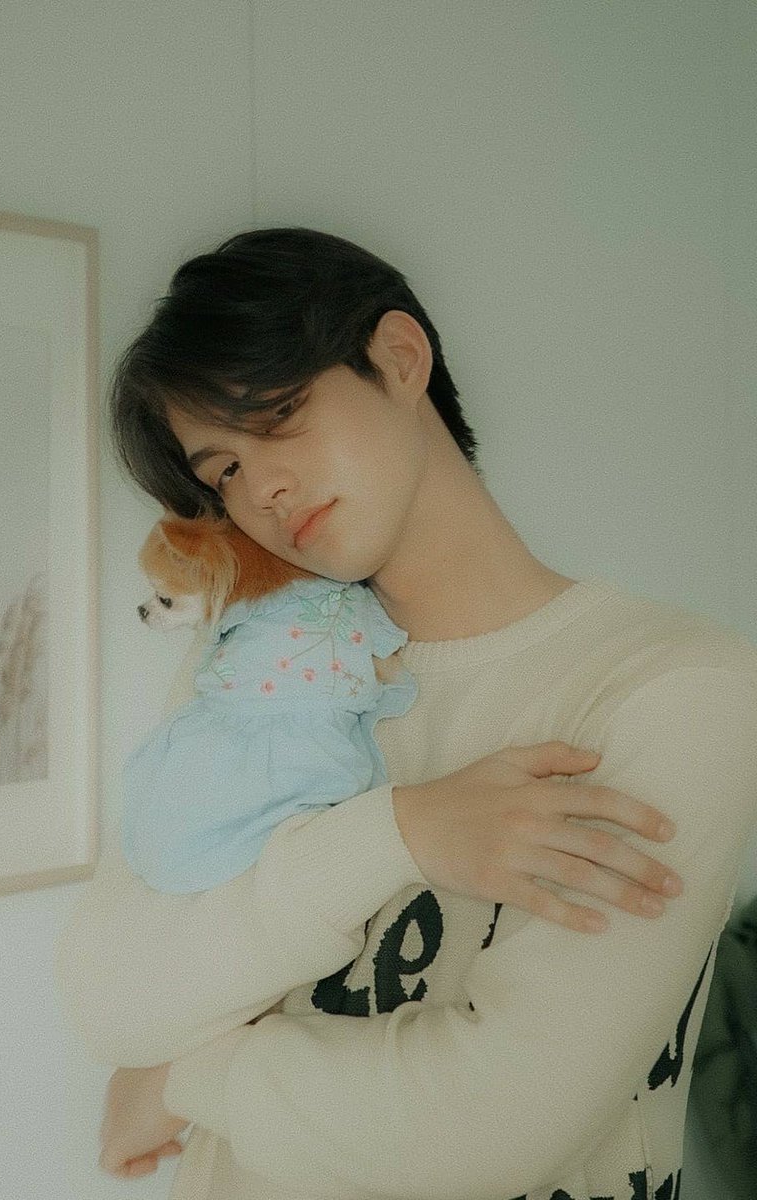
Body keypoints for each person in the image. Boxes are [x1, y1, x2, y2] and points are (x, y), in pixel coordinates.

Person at [55, 228, 757, 1199]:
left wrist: (179, 1080)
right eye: (222, 471)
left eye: (279, 414)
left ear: (398, 357)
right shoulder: (258, 664)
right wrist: (399, 834)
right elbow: (109, 997)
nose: (263, 488)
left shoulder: (673, 688)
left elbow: (488, 1124)